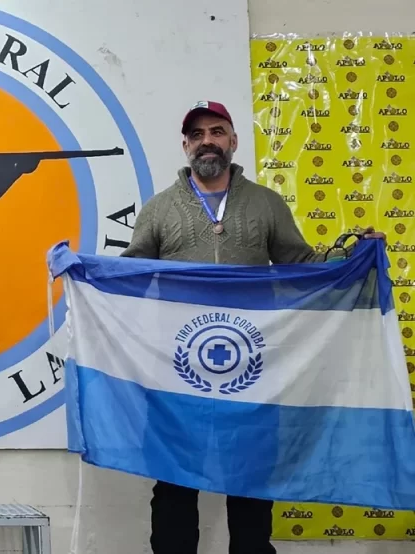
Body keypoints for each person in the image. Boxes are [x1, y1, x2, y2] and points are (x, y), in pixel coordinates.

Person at [122, 100, 384, 554]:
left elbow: (301, 264)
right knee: (173, 487)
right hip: (178, 372)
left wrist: (352, 255)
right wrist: (82, 273)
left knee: (250, 485)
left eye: (216, 131)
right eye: (197, 134)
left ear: (233, 140)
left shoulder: (266, 203)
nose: (207, 141)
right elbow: (128, 275)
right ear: (185, 146)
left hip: (249, 370)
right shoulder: (159, 209)